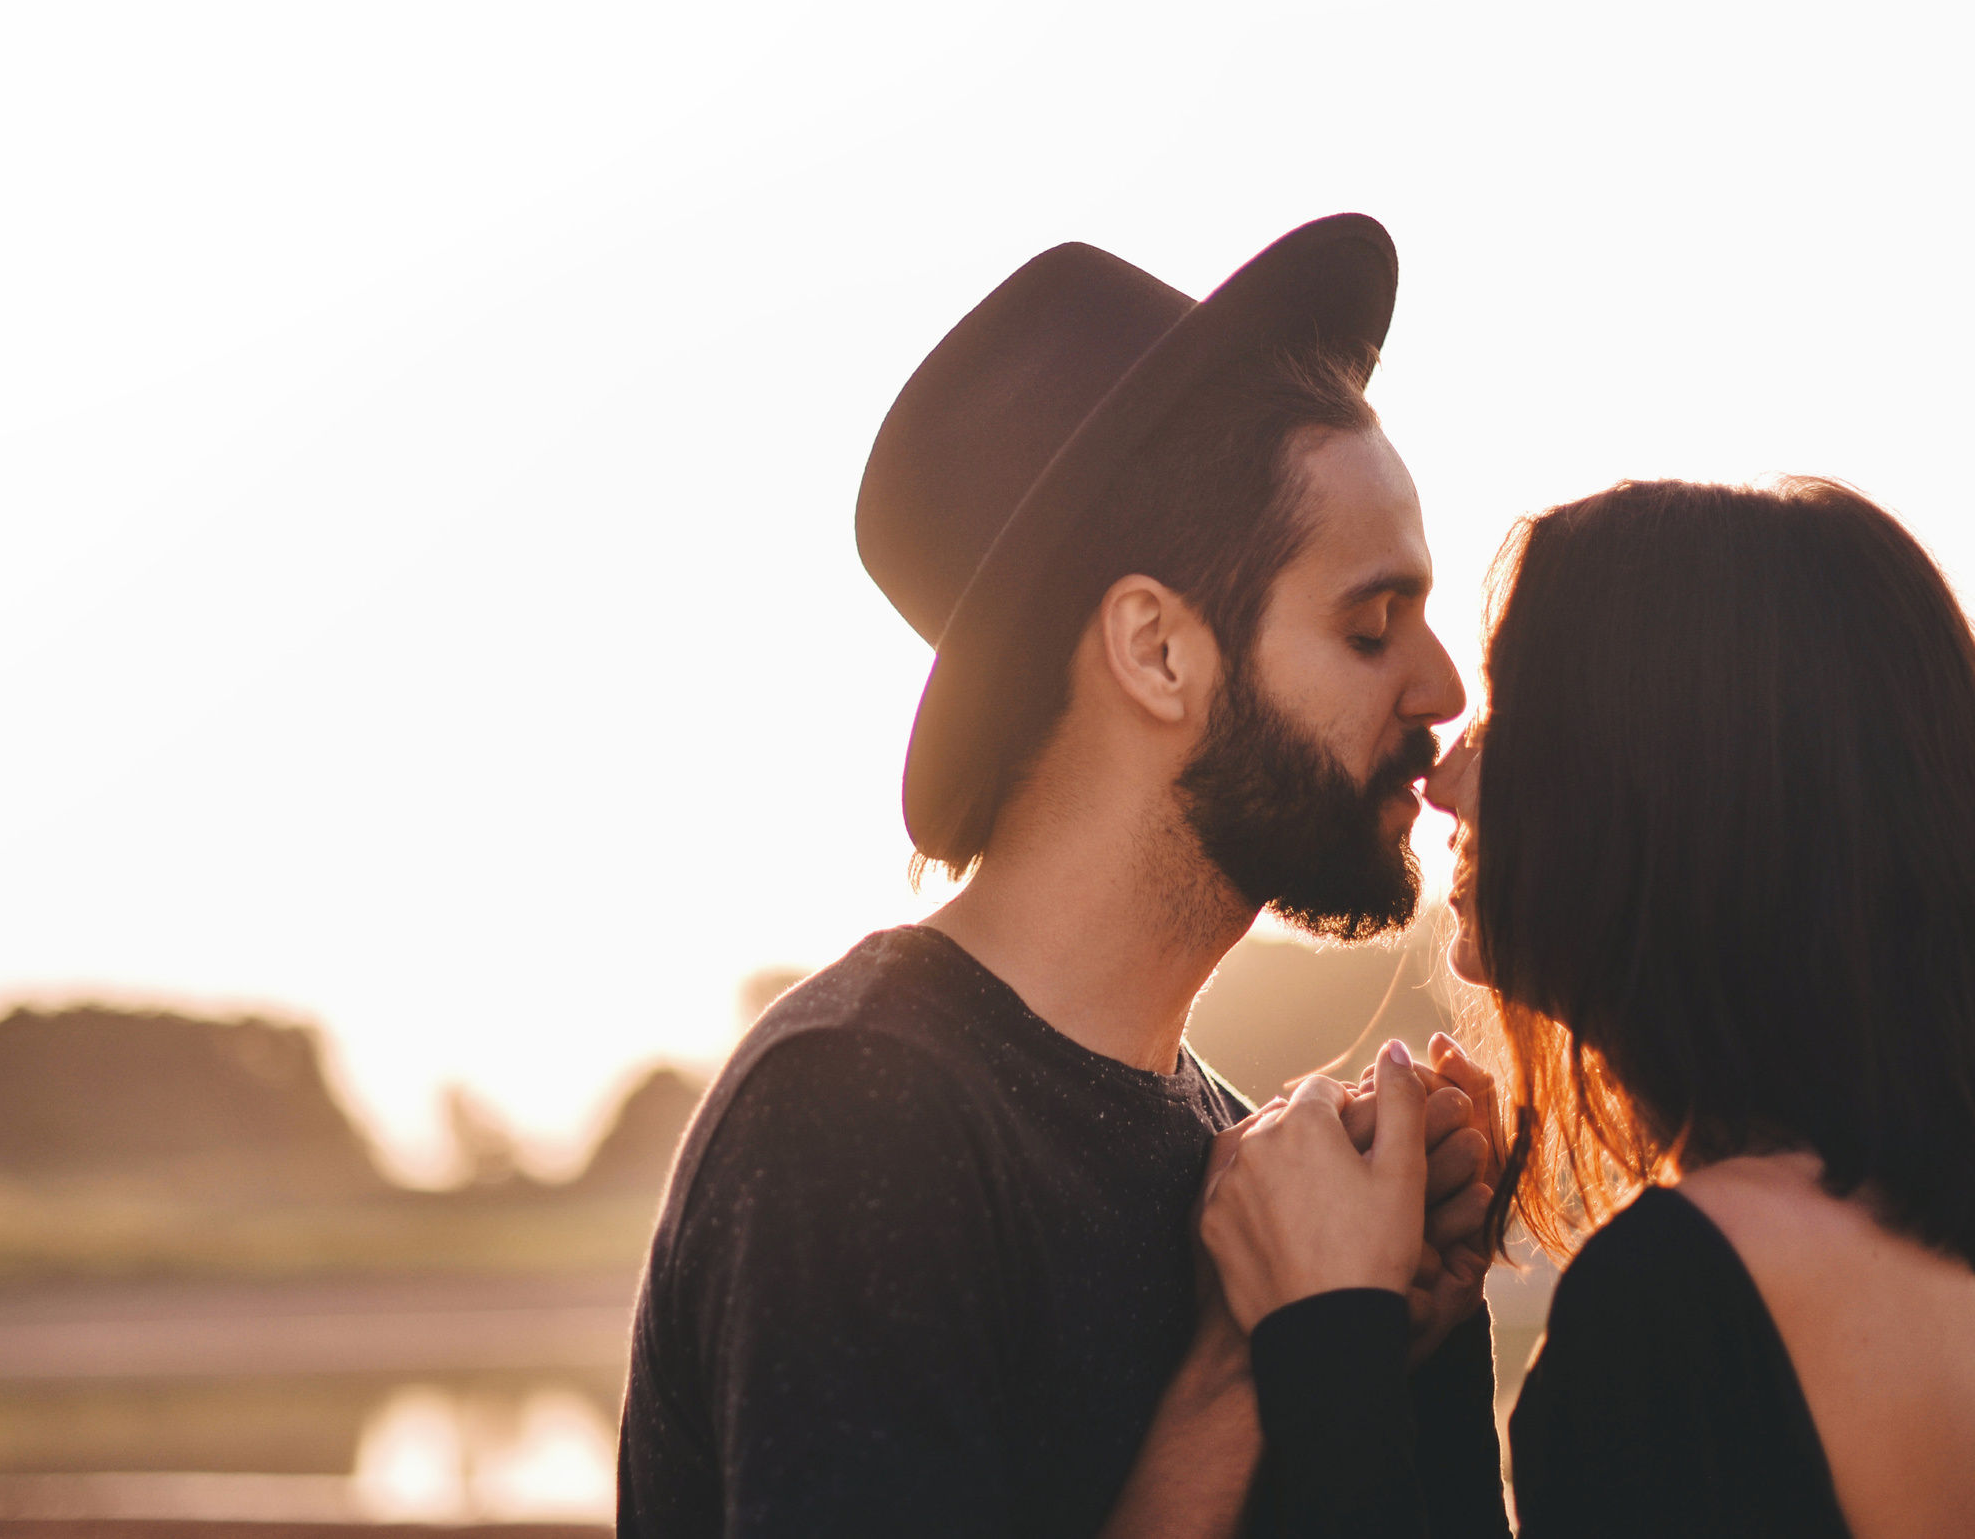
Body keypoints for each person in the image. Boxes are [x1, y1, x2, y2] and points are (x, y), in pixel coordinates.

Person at [615, 216, 1502, 1538]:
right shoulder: (860, 1119)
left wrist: (1391, 1347)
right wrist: (1238, 1370)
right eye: (1372, 626)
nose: (1441, 689)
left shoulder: (1237, 1145)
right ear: (1156, 651)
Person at [1192, 477, 1975, 1538]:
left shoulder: (1680, 1290)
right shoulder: (1864, 1234)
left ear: (1655, 779)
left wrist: (1321, 1336)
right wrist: (1424, 1345)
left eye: (1513, 715)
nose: (1446, 773)